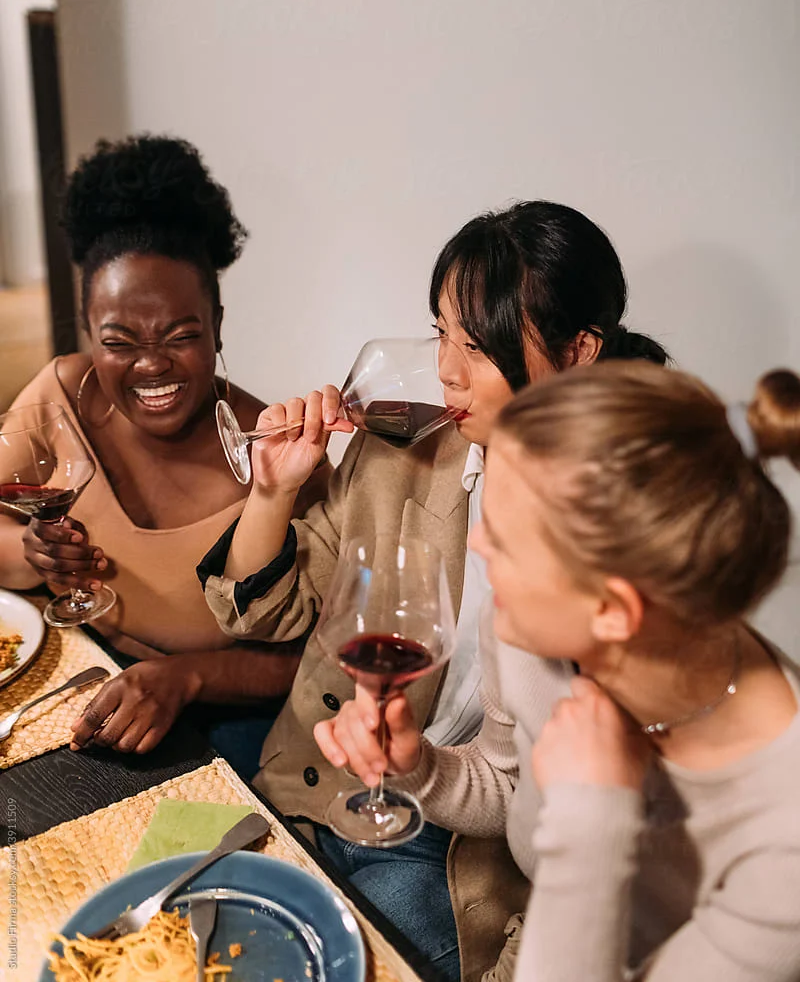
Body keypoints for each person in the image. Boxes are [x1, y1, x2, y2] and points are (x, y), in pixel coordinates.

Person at [198, 200, 668, 980]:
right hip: (325, 783)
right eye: (440, 332)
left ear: (579, 349)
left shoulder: (629, 545)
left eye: (476, 345)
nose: (447, 368)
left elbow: (590, 867)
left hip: (459, 860)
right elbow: (268, 614)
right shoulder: (408, 448)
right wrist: (273, 492)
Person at [317, 361, 800, 981]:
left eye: (506, 540)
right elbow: (508, 783)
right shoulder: (526, 632)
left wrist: (595, 819)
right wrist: (419, 767)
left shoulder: (786, 837)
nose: (477, 546)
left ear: (612, 610)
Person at [0, 134, 328, 774]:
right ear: (88, 333)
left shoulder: (279, 455)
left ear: (218, 324)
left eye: (181, 336)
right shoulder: (60, 399)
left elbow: (316, 662)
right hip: (85, 673)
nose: (151, 365)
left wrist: (183, 679)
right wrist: (28, 554)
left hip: (232, 719)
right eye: (119, 340)